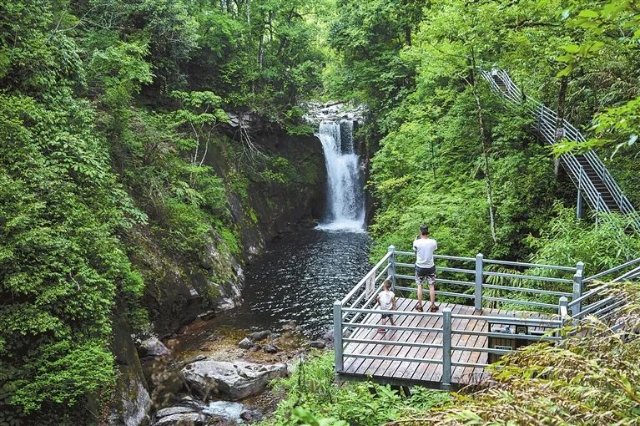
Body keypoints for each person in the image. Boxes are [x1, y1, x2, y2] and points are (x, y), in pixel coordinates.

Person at [413, 225, 438, 312]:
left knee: (420, 285)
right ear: (427, 233)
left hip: (420, 266)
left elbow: (415, 251)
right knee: (431, 286)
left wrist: (415, 240)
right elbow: (434, 249)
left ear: (420, 232)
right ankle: (432, 305)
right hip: (430, 266)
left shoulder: (416, 242)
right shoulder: (433, 242)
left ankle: (420, 305)